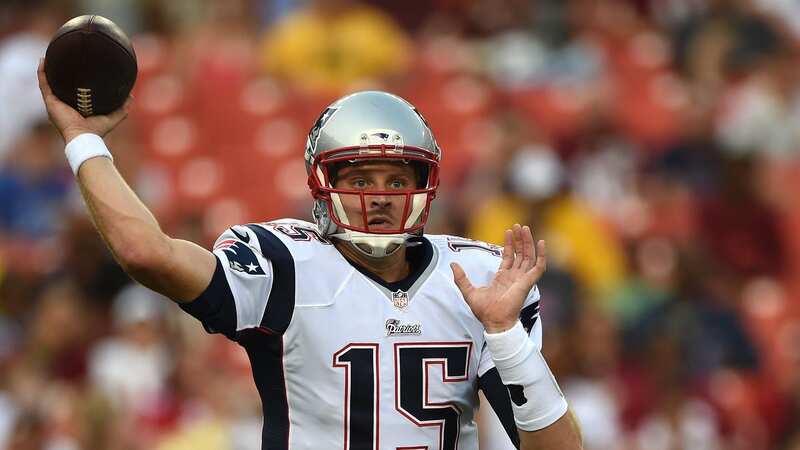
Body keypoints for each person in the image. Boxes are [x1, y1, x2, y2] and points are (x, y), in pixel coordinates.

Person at [37, 59, 582, 450]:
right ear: (323, 185)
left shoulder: (478, 278)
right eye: (361, 177)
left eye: (397, 179)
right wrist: (83, 140)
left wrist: (507, 336)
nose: (379, 196)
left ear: (426, 186)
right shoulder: (285, 266)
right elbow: (145, 253)